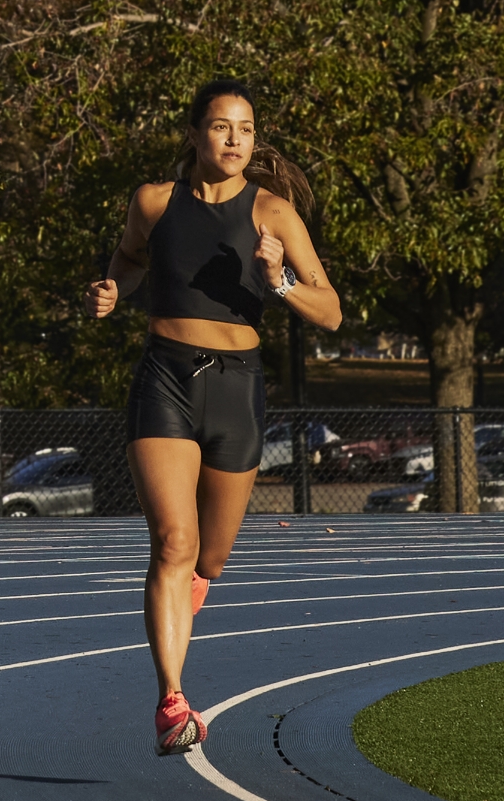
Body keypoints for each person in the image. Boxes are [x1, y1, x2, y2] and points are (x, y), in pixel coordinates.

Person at [88, 80, 341, 755]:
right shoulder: (153, 201)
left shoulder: (273, 213)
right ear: (195, 135)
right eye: (222, 127)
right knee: (173, 542)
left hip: (238, 388)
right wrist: (115, 289)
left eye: (247, 129)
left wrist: (279, 280)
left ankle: (190, 592)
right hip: (164, 378)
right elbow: (130, 259)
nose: (235, 140)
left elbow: (332, 309)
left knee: (210, 558)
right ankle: (172, 703)